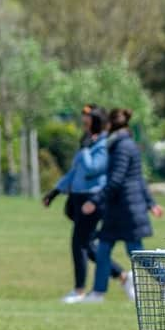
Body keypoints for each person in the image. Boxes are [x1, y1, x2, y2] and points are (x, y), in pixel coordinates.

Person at [79, 108, 165, 303]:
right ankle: (98, 293)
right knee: (104, 249)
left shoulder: (123, 147)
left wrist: (94, 201)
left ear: (110, 125)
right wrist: (151, 203)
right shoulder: (123, 144)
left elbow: (117, 180)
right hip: (117, 209)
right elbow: (139, 178)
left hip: (128, 209)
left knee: (135, 252)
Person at [42, 105, 132, 304]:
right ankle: (123, 276)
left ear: (96, 120)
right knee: (89, 246)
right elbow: (75, 172)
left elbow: (93, 168)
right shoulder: (89, 143)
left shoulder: (103, 144)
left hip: (93, 200)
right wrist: (55, 192)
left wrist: (84, 149)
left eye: (87, 118)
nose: (83, 121)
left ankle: (79, 290)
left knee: (79, 244)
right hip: (78, 198)